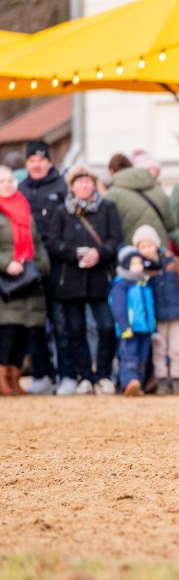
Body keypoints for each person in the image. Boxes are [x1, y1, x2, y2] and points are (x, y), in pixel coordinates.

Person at [45, 165, 123, 396]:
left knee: (106, 327)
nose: (84, 186)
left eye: (88, 182)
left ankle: (104, 374)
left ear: (94, 184)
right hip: (70, 278)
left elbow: (116, 239)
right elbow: (52, 243)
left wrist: (99, 253)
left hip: (100, 278)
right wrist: (73, 253)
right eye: (79, 182)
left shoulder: (107, 208)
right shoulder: (62, 212)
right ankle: (85, 376)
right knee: (75, 330)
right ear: (72, 186)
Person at [18, 139, 68, 395]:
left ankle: (66, 374)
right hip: (29, 267)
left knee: (60, 322)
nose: (36, 165)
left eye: (41, 160)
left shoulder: (62, 187)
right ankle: (41, 373)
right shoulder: (20, 190)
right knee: (34, 323)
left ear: (49, 162)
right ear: (26, 164)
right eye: (31, 160)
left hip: (57, 265)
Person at [0, 165, 50, 397]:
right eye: (2, 181)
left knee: (24, 332)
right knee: (7, 332)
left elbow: (36, 242)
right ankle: (2, 379)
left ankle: (15, 377)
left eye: (10, 180)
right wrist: (5, 263)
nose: (7, 184)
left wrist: (41, 265)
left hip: (28, 280)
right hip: (6, 284)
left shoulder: (23, 207)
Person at [135, 224, 179, 395]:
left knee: (177, 348)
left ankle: (177, 379)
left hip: (177, 312)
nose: (147, 250)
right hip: (156, 315)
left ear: (156, 244)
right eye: (142, 247)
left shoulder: (173, 260)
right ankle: (162, 379)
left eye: (149, 245)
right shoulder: (141, 269)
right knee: (159, 349)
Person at [109, 245, 156, 396]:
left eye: (140, 263)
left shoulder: (144, 284)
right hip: (129, 330)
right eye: (133, 263)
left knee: (142, 359)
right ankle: (129, 383)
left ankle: (138, 385)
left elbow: (150, 309)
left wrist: (153, 329)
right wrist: (124, 326)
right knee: (129, 357)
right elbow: (118, 308)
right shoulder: (121, 285)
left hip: (145, 329)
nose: (138, 267)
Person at [105, 152, 178, 245]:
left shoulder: (112, 194)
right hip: (159, 251)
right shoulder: (157, 189)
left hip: (131, 254)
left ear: (111, 171)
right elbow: (171, 224)